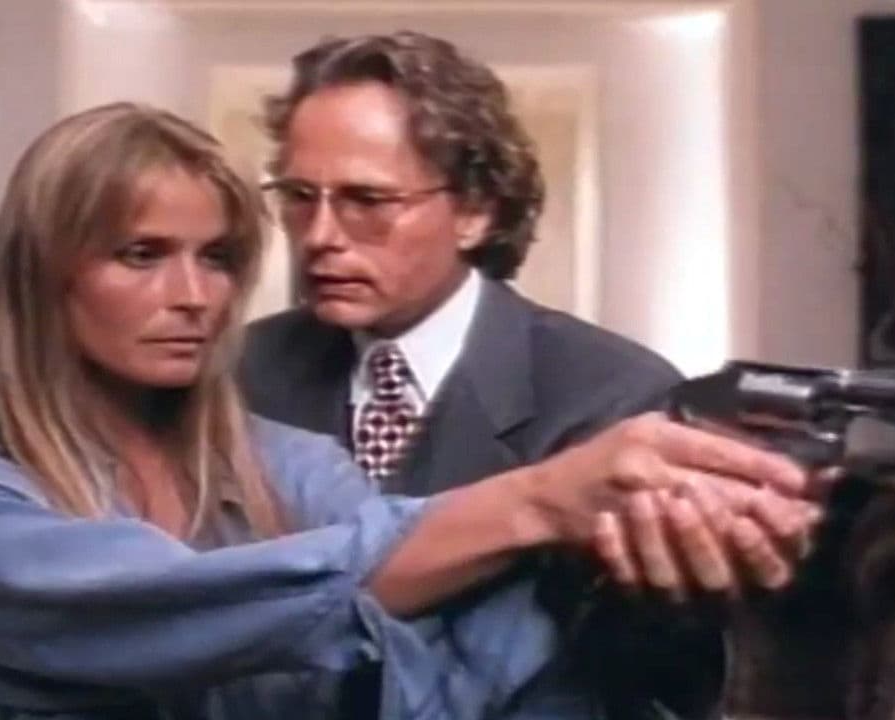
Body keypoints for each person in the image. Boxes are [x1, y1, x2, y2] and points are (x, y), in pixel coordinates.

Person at [0, 102, 816, 719]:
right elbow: (200, 608)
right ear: (43, 275)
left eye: (218, 259)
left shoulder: (289, 459)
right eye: (142, 255)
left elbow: (435, 671)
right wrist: (542, 500)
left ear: (471, 213)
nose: (195, 297)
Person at [239, 31, 821, 718]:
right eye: (299, 196)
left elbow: (654, 675)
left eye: (367, 201)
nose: (318, 236)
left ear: (474, 211)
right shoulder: (239, 374)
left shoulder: (616, 396)